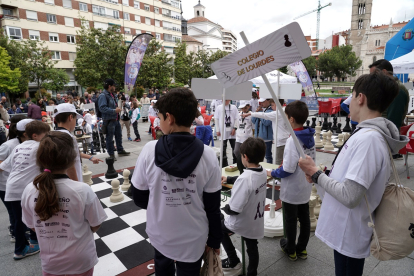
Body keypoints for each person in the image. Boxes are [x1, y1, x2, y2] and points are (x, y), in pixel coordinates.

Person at [298, 71, 408, 276]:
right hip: (348, 229)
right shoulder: (368, 135)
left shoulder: (369, 140)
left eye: (352, 95)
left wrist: (316, 175)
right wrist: (321, 176)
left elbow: (350, 196)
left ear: (361, 98)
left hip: (349, 232)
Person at [131, 88, 222, 275]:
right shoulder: (209, 155)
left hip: (161, 232)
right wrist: (214, 241)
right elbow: (213, 206)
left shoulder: (149, 150)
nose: (159, 122)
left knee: (162, 270)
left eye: (160, 117)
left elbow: (139, 197)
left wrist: (161, 203)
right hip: (194, 236)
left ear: (169, 118)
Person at [21, 130, 107, 276]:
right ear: (72, 159)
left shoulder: (29, 190)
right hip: (81, 258)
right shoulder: (82, 190)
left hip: (50, 261)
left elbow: (32, 225)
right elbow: (95, 224)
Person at [268, 100, 315, 261]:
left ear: (291, 119)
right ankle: (302, 249)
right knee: (304, 218)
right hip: (305, 186)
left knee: (290, 219)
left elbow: (287, 168)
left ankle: (290, 249)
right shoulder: (309, 136)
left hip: (292, 188)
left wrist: (273, 172)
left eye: (286, 116)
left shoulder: (292, 140)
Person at [0, 119, 50, 260]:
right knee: (29, 218)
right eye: (46, 134)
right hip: (25, 188)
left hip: (12, 186)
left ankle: (33, 241)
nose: (47, 137)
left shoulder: (18, 147)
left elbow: (4, 166)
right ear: (35, 135)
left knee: (19, 219)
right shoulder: (40, 147)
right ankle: (20, 250)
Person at [220, 137, 267, 274]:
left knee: (218, 227)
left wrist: (224, 209)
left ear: (245, 157)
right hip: (255, 219)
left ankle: (233, 261)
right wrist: (229, 179)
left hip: (242, 221)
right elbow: (247, 179)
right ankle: (252, 272)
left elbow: (234, 209)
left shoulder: (245, 179)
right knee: (252, 246)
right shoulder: (262, 171)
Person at [369, 59, 409, 159]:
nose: (372, 78)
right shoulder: (389, 88)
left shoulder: (397, 90)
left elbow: (393, 121)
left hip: (385, 137)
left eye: (374, 74)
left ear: (384, 72)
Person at [54, 103, 102, 181]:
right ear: (71, 117)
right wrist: (77, 185)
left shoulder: (55, 134)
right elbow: (70, 165)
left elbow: (74, 153)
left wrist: (90, 157)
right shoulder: (68, 137)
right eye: (76, 119)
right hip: (71, 182)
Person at [0, 115, 26, 243]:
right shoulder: (8, 145)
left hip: (17, 184)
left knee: (19, 212)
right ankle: (16, 234)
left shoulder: (23, 143)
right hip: (5, 185)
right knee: (14, 213)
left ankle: (20, 232)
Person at [247, 99, 290, 165]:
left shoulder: (278, 112)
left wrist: (253, 113)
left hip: (280, 140)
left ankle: (275, 173)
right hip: (282, 139)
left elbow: (265, 118)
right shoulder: (284, 111)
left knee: (277, 161)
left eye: (272, 105)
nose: (272, 107)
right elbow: (255, 120)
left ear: (277, 104)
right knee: (280, 160)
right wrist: (257, 113)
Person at [98, 79, 130, 160]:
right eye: (114, 86)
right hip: (109, 121)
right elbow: (102, 108)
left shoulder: (113, 95)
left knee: (119, 136)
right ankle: (111, 154)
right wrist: (114, 111)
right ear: (110, 86)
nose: (115, 87)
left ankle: (120, 150)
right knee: (109, 138)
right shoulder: (103, 95)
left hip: (116, 119)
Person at [215, 100, 238, 166]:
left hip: (232, 132)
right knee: (223, 150)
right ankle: (224, 165)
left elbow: (237, 118)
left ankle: (235, 164)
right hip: (223, 132)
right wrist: (217, 130)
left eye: (227, 99)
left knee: (235, 149)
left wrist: (235, 128)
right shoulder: (219, 107)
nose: (225, 101)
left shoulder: (234, 107)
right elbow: (216, 119)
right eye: (224, 99)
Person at [251, 98, 274, 164]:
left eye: (263, 102)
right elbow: (253, 121)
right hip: (258, 136)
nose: (261, 104)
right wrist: (256, 112)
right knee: (258, 155)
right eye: (260, 102)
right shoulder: (262, 110)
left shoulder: (271, 111)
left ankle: (270, 169)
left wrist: (260, 113)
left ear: (268, 101)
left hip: (266, 138)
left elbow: (266, 122)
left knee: (268, 155)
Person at [233, 101, 253, 174]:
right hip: (238, 136)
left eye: (245, 108)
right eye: (242, 108)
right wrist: (234, 129)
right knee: (236, 151)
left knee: (246, 152)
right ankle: (241, 164)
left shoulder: (251, 115)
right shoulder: (238, 115)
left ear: (248, 106)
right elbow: (236, 124)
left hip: (247, 137)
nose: (243, 109)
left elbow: (253, 127)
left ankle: (245, 166)